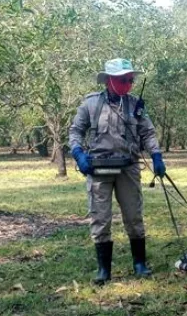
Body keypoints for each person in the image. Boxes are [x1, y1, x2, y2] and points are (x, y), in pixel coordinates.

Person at [69, 58, 167, 285]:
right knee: (100, 217)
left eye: (130, 80)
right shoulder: (91, 104)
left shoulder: (135, 105)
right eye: (123, 79)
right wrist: (78, 154)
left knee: (134, 216)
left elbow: (148, 133)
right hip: (98, 168)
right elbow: (75, 131)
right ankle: (104, 270)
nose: (127, 84)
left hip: (128, 168)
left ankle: (140, 264)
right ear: (109, 80)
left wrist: (156, 155)